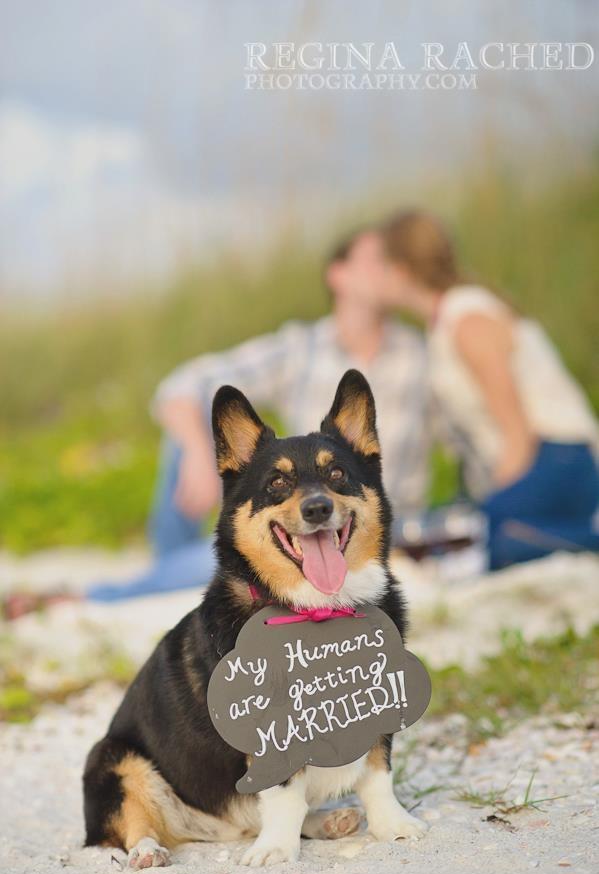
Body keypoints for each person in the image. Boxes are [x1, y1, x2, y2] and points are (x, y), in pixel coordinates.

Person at [86, 228, 430, 600]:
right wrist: (199, 452)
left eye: (397, 262)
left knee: (212, 562)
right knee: (191, 423)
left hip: (385, 526)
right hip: (298, 515)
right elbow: (181, 387)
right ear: (338, 274)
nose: (391, 269)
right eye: (378, 260)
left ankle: (134, 585)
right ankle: (155, 568)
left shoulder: (420, 355)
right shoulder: (301, 348)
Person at [356, 210, 599, 569]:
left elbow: (516, 432)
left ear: (400, 271)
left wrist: (499, 503)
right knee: (451, 534)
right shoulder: (443, 323)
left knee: (491, 538)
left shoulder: (467, 319)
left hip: (560, 457)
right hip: (540, 461)